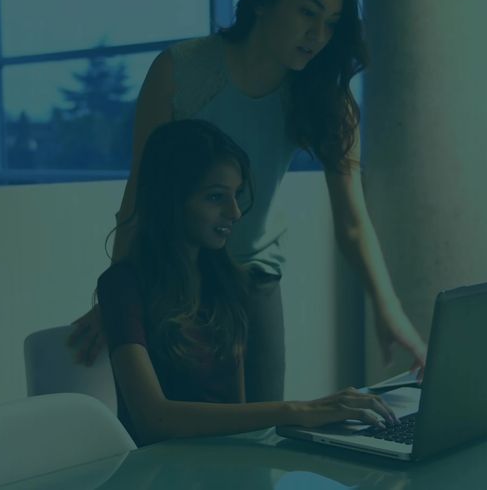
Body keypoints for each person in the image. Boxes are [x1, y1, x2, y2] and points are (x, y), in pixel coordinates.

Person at [69, 0, 427, 403]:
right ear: (263, 1)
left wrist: (388, 308)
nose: (318, 35)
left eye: (331, 23)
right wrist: (118, 298)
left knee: (262, 443)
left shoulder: (324, 95)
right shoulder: (181, 70)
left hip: (252, 281)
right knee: (174, 441)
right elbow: (138, 196)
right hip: (169, 282)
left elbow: (353, 222)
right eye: (307, 12)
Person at [97, 119, 397, 446]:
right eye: (215, 197)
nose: (235, 212)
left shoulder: (227, 281)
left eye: (236, 196)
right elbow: (153, 420)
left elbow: (237, 414)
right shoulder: (122, 286)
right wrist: (295, 410)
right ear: (170, 199)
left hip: (223, 467)